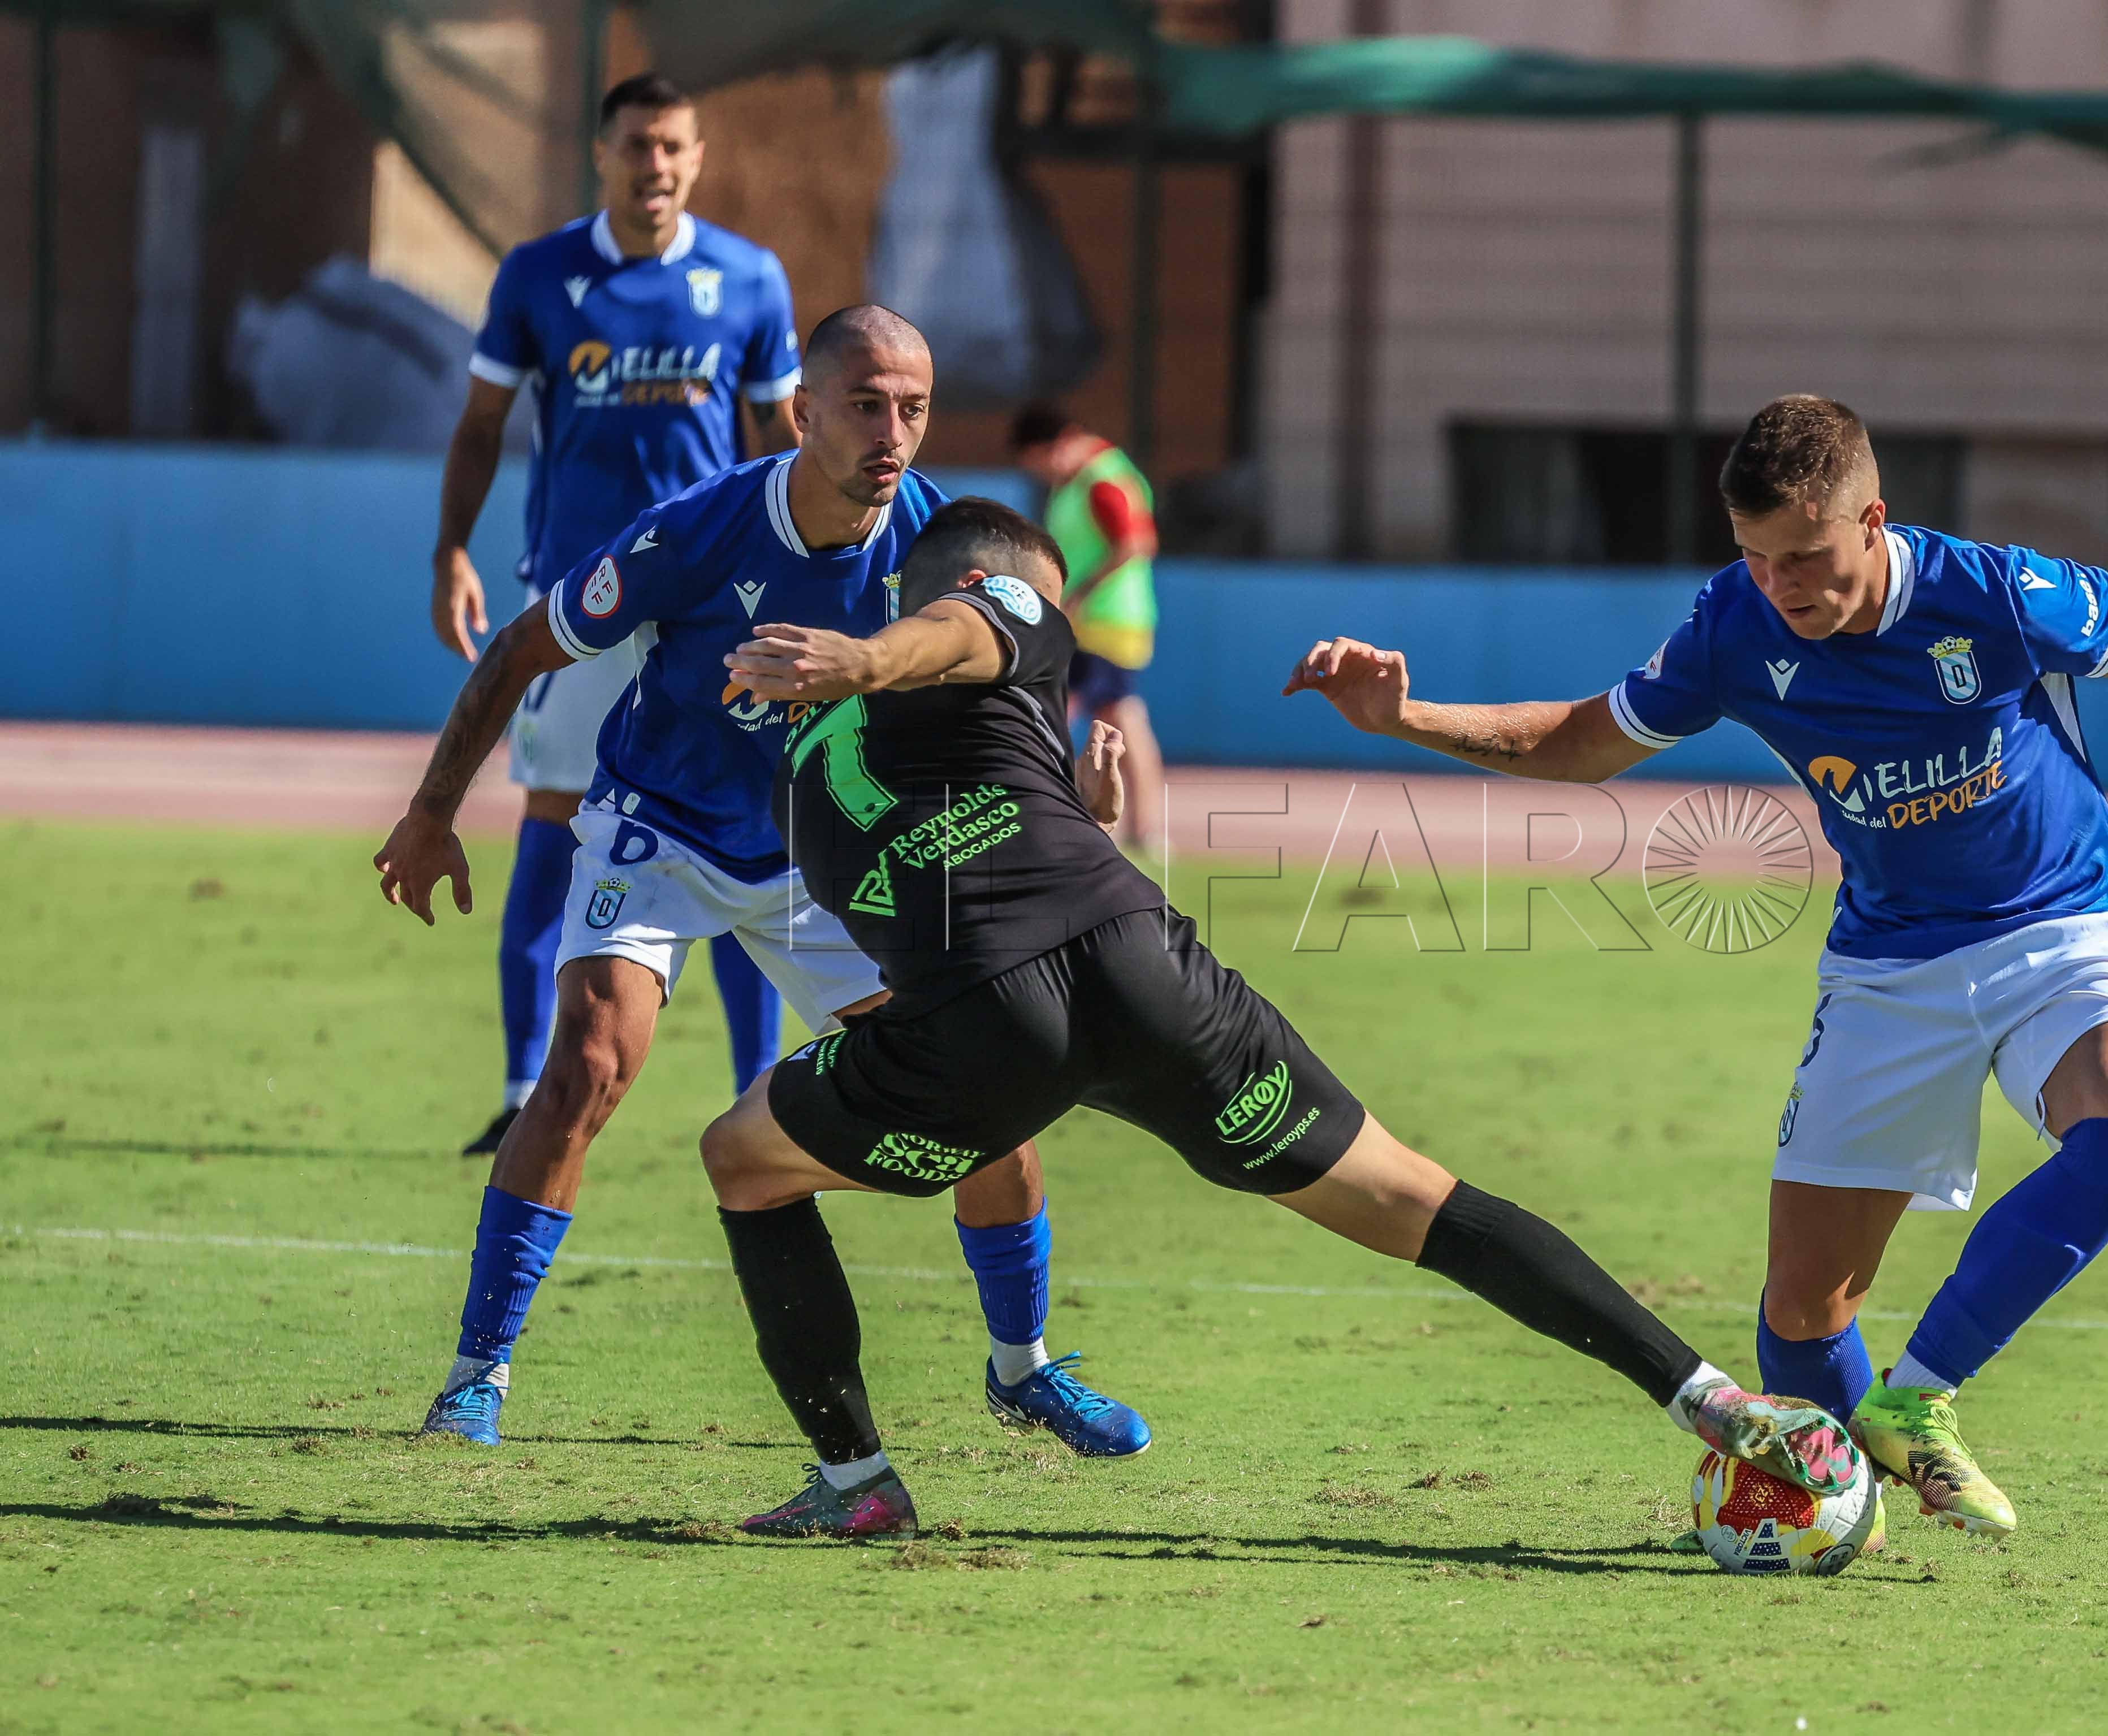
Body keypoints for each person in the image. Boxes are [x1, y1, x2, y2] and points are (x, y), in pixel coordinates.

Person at [1284, 395, 2108, 1539]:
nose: (1778, 585)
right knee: (1802, 1310)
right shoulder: (1731, 626)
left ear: (1871, 521)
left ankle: (1922, 1393)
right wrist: (1406, 719)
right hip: (1887, 967)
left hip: (2054, 929)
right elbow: (1579, 740)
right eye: (1753, 558)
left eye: (1801, 556)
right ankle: (1861, 1492)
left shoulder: (1994, 594)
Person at [689, 495, 1859, 1539]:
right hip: (1143, 977)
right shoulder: (992, 603)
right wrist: (874, 654)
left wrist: (1042, 806)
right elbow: (969, 635)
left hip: (992, 1027)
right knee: (1418, 1197)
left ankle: (858, 1476)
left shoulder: (801, 769)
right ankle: (1710, 1396)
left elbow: (938, 899)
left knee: (745, 1160)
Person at [376, 306, 1147, 1457]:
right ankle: (475, 1373)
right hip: (665, 827)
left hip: (830, 856)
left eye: (915, 408)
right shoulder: (699, 530)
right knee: (587, 1063)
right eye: (865, 404)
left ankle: (1022, 1367)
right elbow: (524, 644)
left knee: (990, 1080)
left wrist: (1076, 792)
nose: (893, 433)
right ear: (802, 411)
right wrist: (433, 809)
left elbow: (1007, 699)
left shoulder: (944, 554)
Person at [433, 73, 787, 1158]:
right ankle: (517, 1083)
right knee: (550, 820)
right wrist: (451, 546)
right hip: (578, 598)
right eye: (639, 146)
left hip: (713, 604)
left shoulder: (749, 278)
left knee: (743, 838)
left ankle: (761, 1095)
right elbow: (483, 424)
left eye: (675, 148)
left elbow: (778, 442)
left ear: (698, 154)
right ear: (603, 152)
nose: (658, 167)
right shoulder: (542, 275)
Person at [1010, 403, 1164, 847]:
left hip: (1106, 622)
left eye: (1037, 461)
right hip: (1094, 622)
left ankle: (1132, 825)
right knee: (1108, 714)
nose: (1039, 472)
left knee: (1091, 713)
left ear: (1056, 445)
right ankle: (1133, 827)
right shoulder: (1080, 481)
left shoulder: (1102, 480)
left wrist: (1078, 595)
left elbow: (1136, 543)